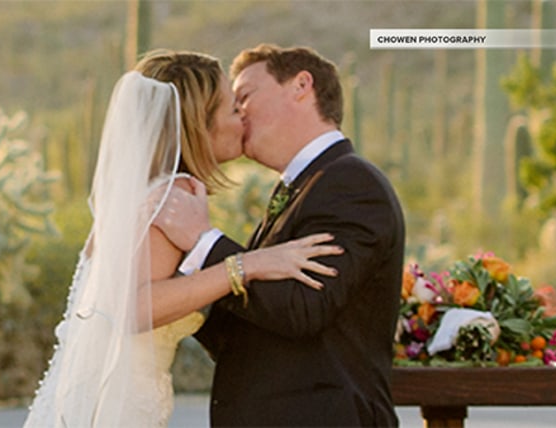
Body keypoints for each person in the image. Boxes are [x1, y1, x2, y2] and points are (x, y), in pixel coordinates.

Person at [23, 50, 343, 428]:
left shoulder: (145, 194)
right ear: (197, 126)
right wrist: (248, 265)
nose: (242, 116)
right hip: (116, 407)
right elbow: (134, 308)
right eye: (231, 109)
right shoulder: (169, 196)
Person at [155, 44, 406, 427]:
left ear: (301, 86)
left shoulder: (351, 183)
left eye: (245, 96)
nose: (237, 112)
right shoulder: (305, 186)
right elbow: (253, 326)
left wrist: (204, 243)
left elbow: (304, 307)